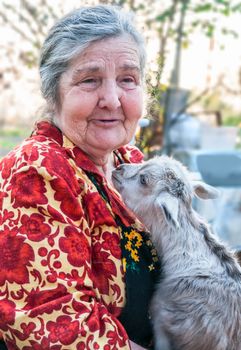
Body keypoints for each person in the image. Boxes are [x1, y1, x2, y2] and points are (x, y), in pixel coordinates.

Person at [0, 5, 160, 350]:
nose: (112, 99)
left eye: (128, 80)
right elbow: (52, 323)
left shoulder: (128, 164)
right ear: (53, 90)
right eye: (90, 80)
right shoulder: (38, 169)